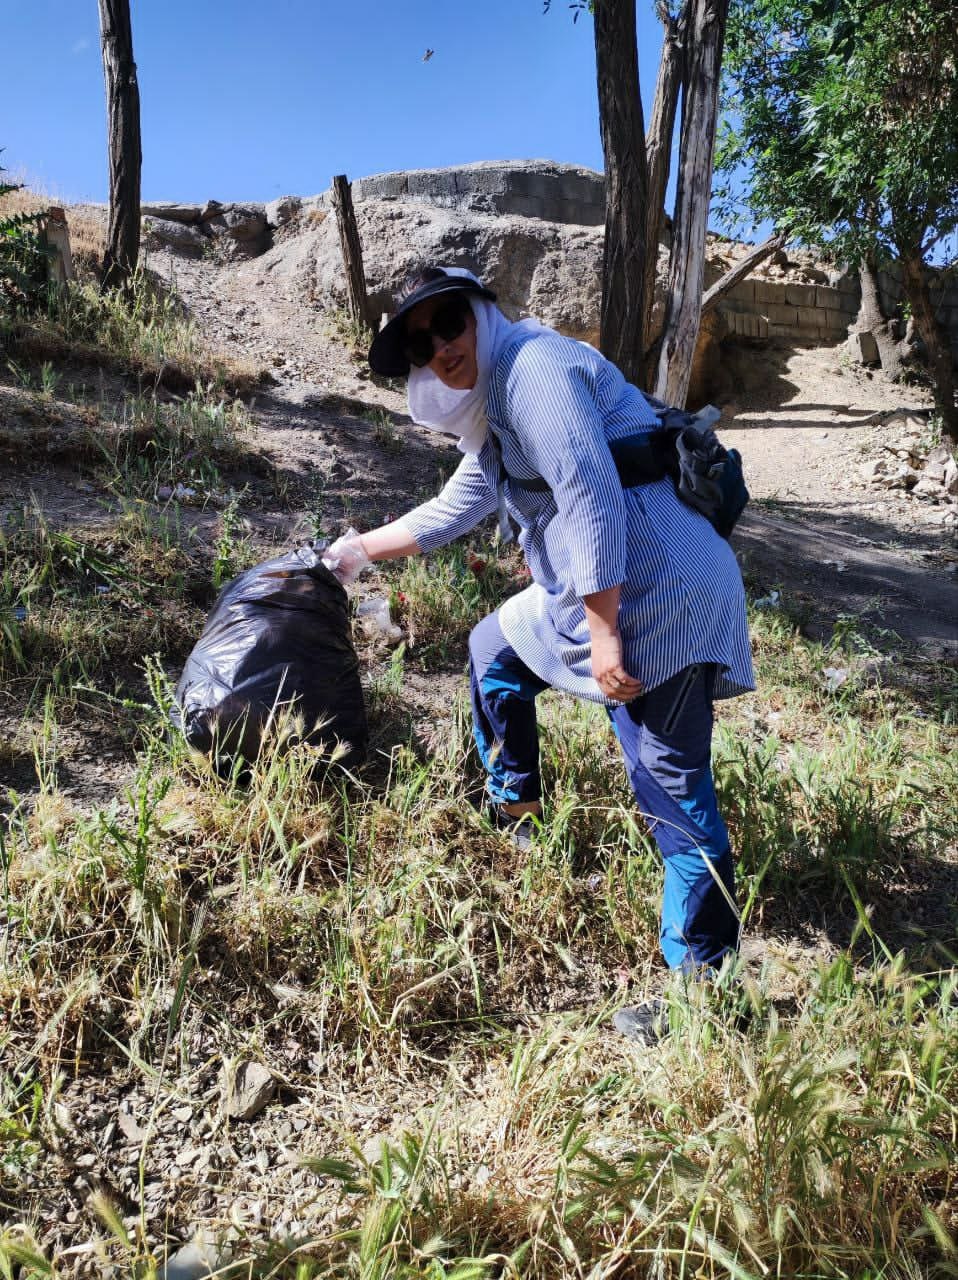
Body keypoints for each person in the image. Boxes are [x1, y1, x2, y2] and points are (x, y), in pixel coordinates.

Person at [324, 265, 755, 1043]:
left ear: (480, 314)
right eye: (420, 345)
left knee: (671, 788)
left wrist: (603, 633)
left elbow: (590, 491)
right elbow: (457, 506)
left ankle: (707, 992)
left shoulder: (533, 369)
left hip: (659, 593)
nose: (439, 348)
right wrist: (356, 551)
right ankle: (517, 813)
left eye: (448, 323)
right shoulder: (499, 404)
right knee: (493, 647)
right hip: (606, 587)